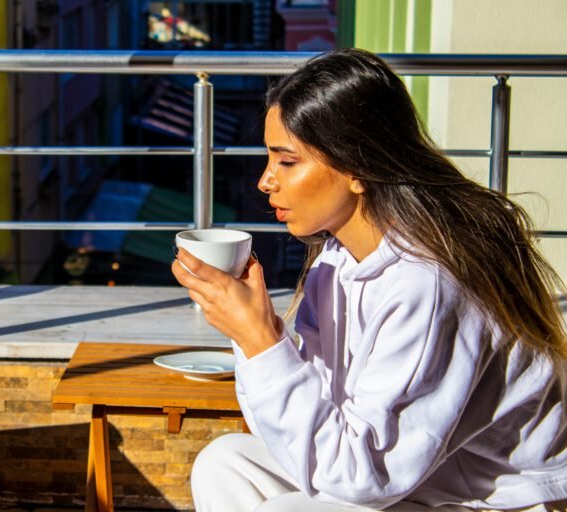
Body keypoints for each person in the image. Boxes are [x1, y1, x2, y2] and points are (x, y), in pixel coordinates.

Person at [171, 48, 567, 511]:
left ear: (356, 168)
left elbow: (362, 475)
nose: (265, 181)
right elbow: (309, 429)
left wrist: (258, 341)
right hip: (420, 477)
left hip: (497, 500)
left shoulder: (428, 283)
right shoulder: (336, 261)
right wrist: (260, 334)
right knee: (226, 463)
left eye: (287, 162)